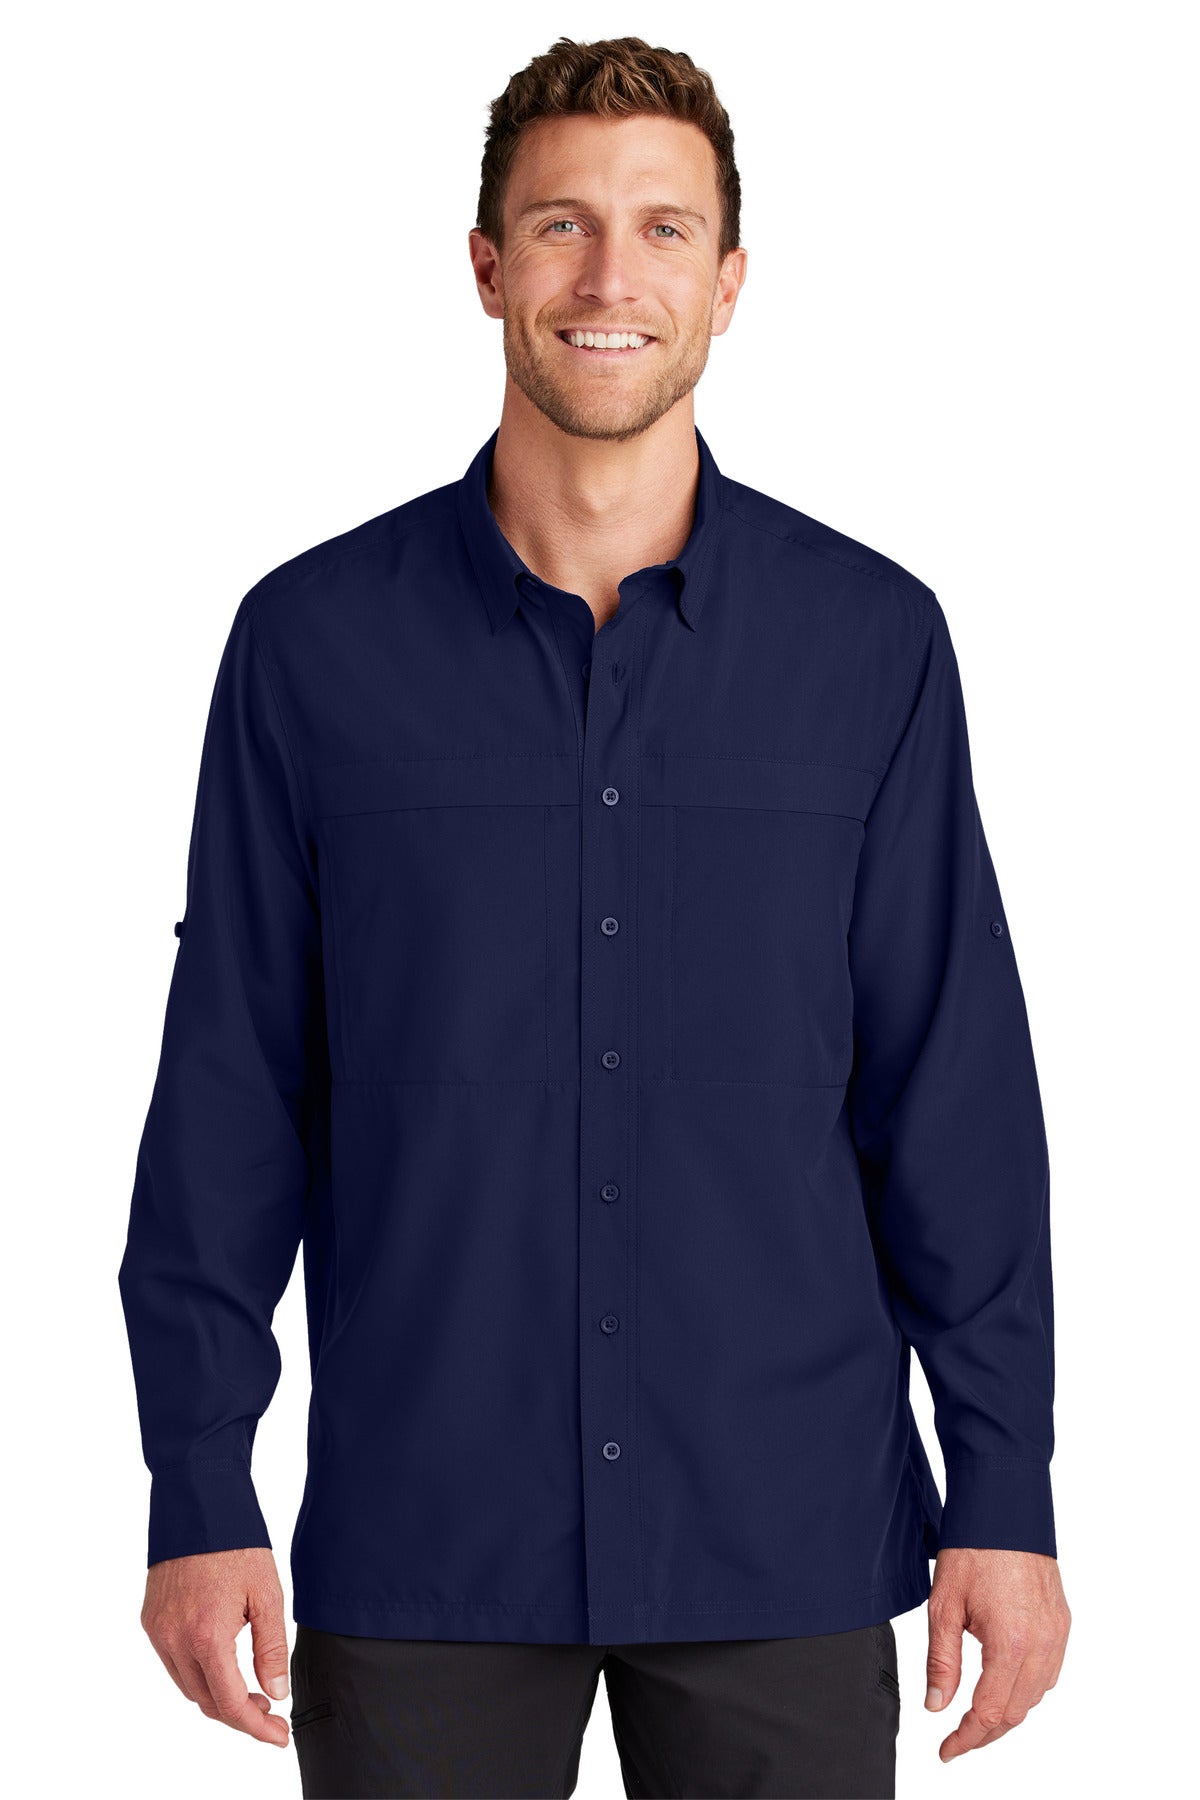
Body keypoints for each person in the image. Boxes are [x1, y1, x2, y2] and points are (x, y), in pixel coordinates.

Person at [117, 32, 1071, 1800]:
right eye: (562, 225)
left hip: (782, 1532)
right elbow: (229, 1095)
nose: (609, 277)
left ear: (729, 282)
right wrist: (196, 1485)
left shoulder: (871, 646)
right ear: (488, 266)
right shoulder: (310, 648)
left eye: (661, 229)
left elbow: (952, 1094)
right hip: (430, 1540)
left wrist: (1003, 1491)